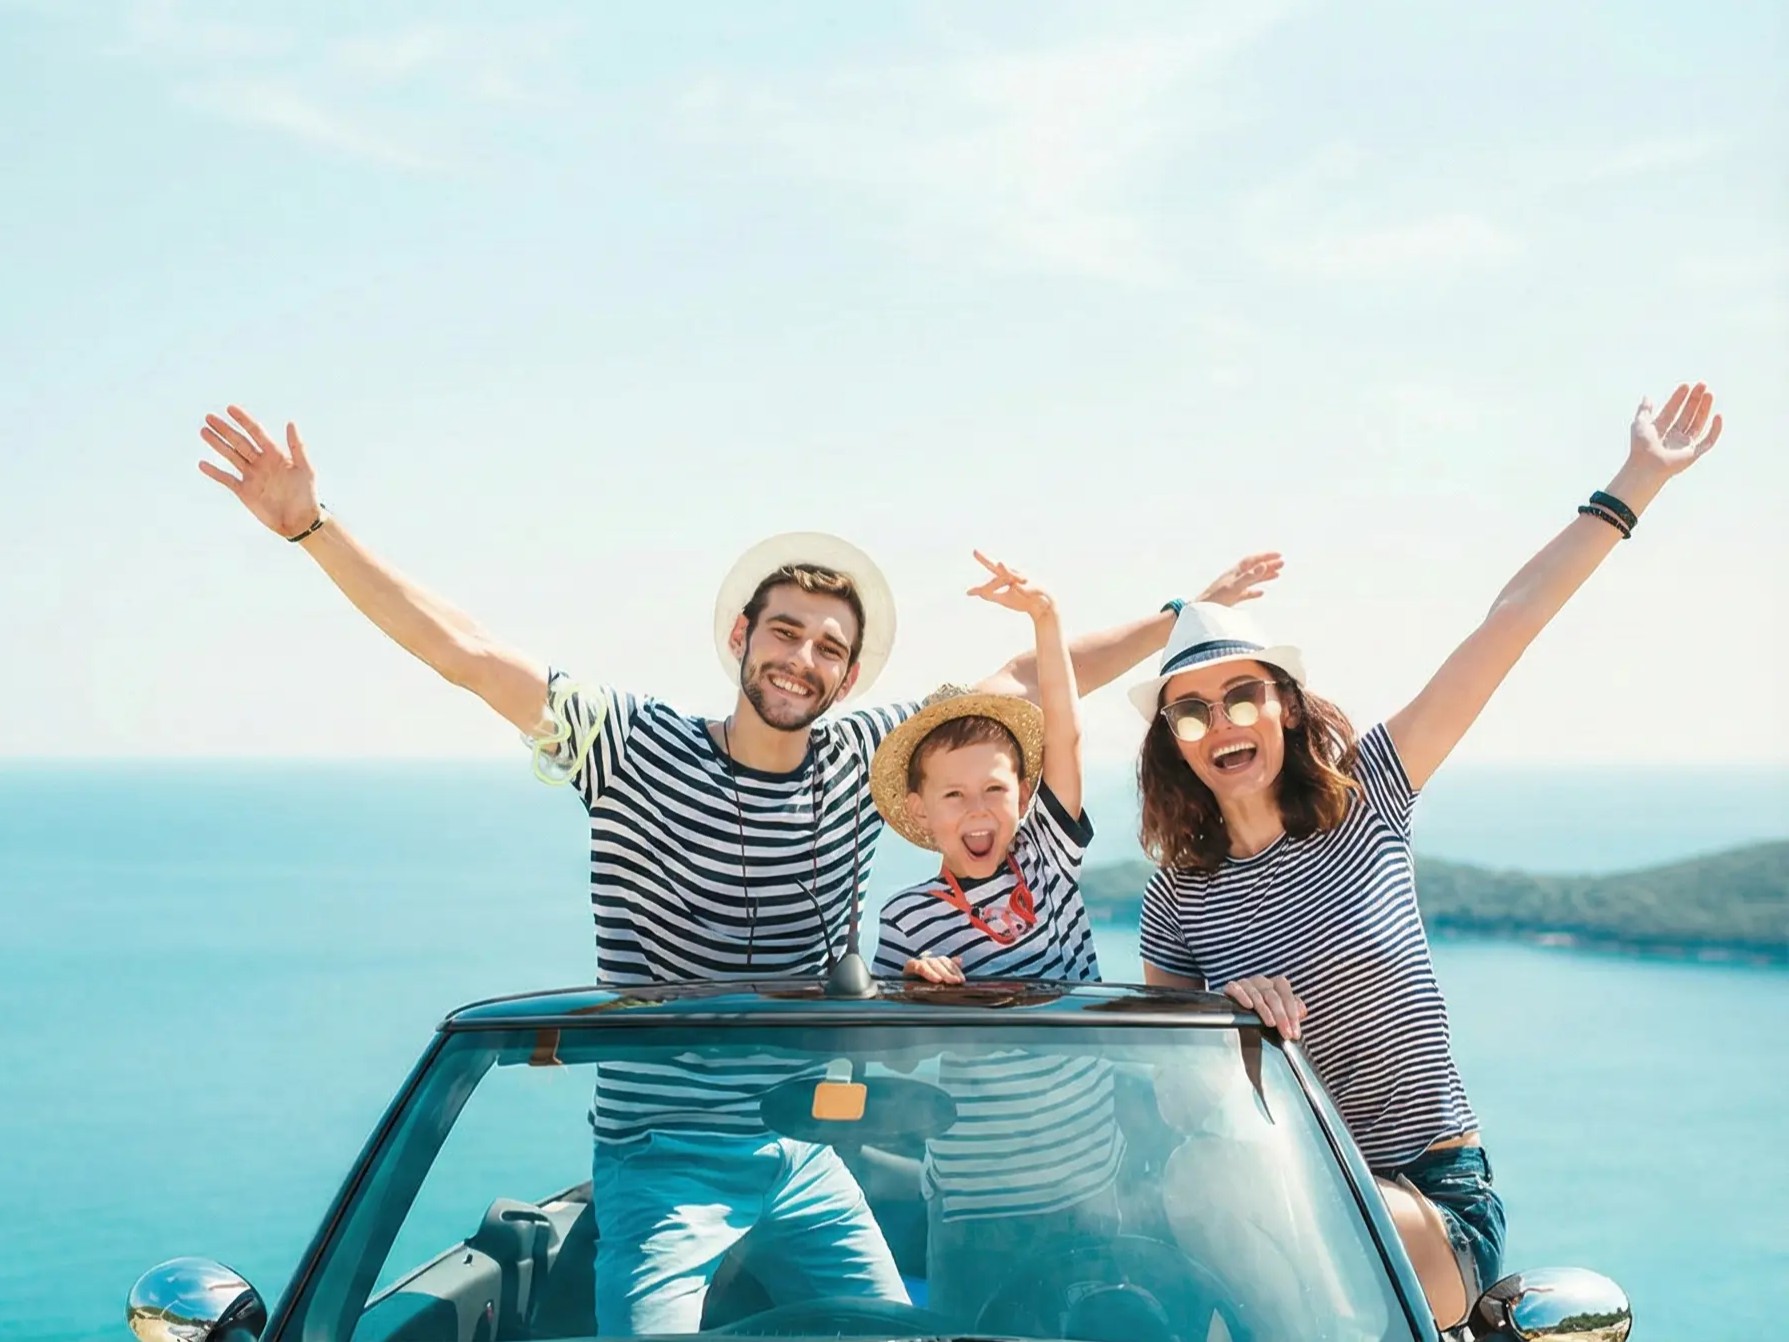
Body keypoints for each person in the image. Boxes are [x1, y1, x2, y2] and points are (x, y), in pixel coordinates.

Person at [193, 403, 1285, 1333]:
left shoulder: (865, 756)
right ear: (740, 635)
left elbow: (1030, 681)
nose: (800, 658)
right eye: (785, 631)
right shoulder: (631, 745)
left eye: (826, 647)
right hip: (660, 1158)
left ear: (848, 674)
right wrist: (314, 530)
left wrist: (1184, 609)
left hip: (804, 1151)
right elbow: (469, 654)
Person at [1129, 384, 1723, 1330]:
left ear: (1283, 704)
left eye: (1241, 695)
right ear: (1172, 739)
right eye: (1190, 710)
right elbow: (1169, 1099)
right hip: (1273, 1199)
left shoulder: (1370, 796)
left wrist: (1633, 483)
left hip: (1428, 1205)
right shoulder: (1175, 898)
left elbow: (1505, 623)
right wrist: (1219, 1019)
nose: (1218, 723)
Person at [869, 553, 1121, 1323]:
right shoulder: (904, 918)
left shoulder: (1047, 857)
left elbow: (1068, 740)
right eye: (952, 794)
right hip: (974, 1208)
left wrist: (1046, 619)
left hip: (1091, 1187)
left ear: (1022, 795)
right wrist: (914, 997)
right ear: (921, 808)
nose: (975, 810)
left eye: (994, 790)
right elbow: (889, 1057)